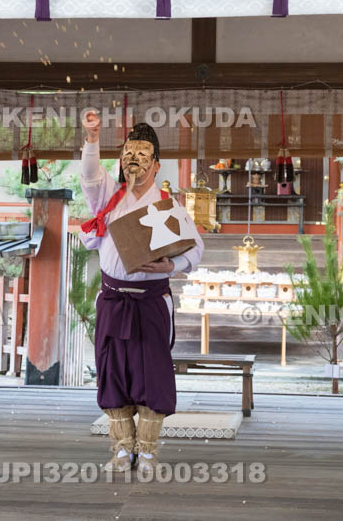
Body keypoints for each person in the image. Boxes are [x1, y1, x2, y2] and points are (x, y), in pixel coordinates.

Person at [78, 111, 204, 474]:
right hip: (115, 300)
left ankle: (147, 450)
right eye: (128, 155)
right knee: (113, 370)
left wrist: (171, 267)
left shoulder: (168, 205)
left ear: (156, 164)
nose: (134, 161)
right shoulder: (107, 198)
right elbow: (89, 175)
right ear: (120, 161)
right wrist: (91, 137)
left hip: (150, 302)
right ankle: (121, 449)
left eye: (142, 155)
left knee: (152, 372)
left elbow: (195, 249)